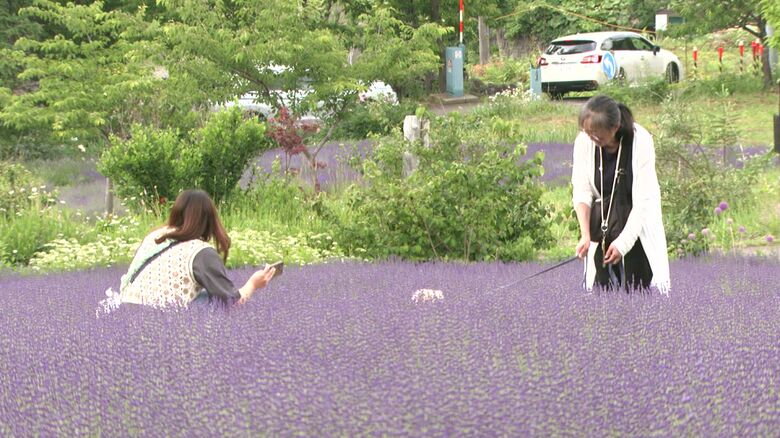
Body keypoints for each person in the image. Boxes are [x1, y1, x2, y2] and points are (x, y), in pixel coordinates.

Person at [571, 95, 670, 294]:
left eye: (596, 135)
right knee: (602, 292)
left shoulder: (640, 140)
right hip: (603, 229)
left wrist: (623, 244)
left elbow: (643, 201)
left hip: (637, 229)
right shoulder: (584, 141)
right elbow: (582, 191)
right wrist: (585, 235)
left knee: (640, 291)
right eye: (588, 132)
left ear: (615, 127)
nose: (591, 138)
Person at [119, 189, 277, 307]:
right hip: (160, 319)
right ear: (209, 219)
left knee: (204, 295)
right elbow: (231, 302)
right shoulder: (200, 252)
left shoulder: (156, 236)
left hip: (124, 308)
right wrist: (253, 284)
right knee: (213, 302)